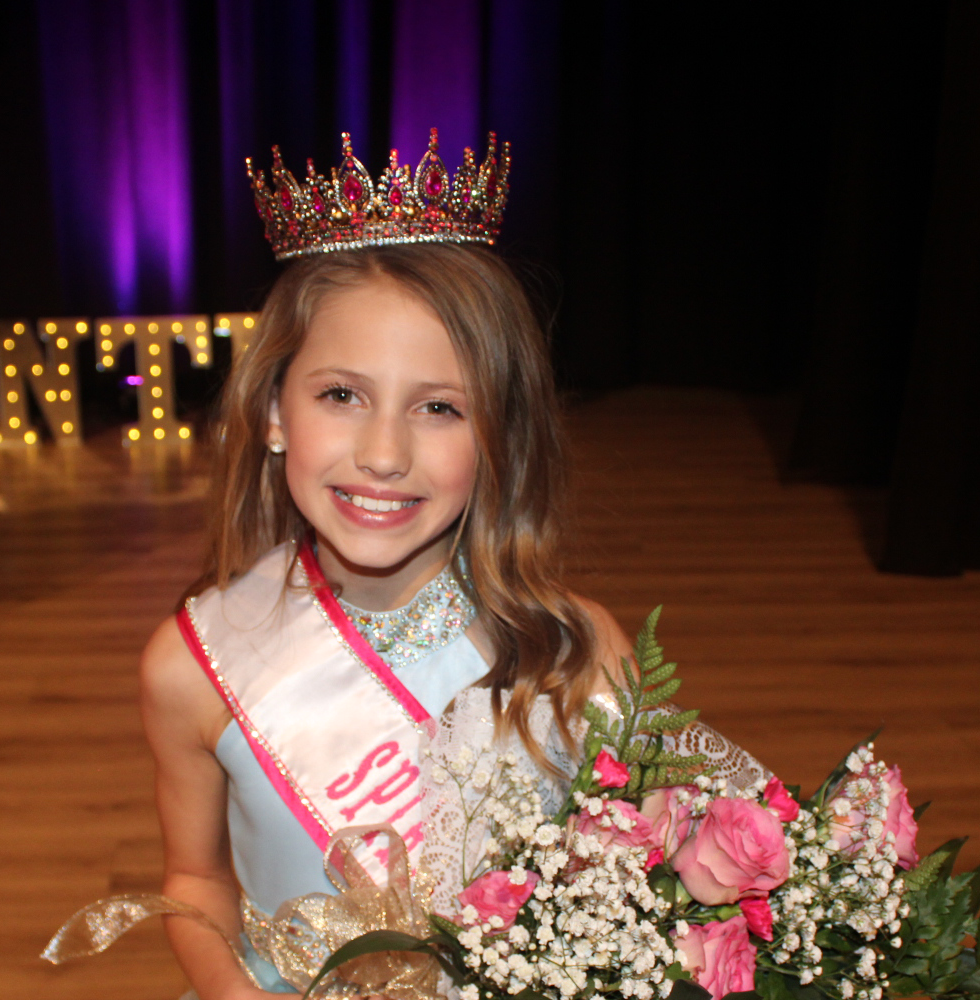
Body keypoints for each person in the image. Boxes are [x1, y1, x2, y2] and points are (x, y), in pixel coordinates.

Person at [50, 133, 767, 999]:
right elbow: (196, 877)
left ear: (498, 437)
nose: (383, 454)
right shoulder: (192, 666)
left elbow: (651, 869)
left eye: (438, 407)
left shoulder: (574, 650)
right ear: (275, 411)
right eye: (341, 395)